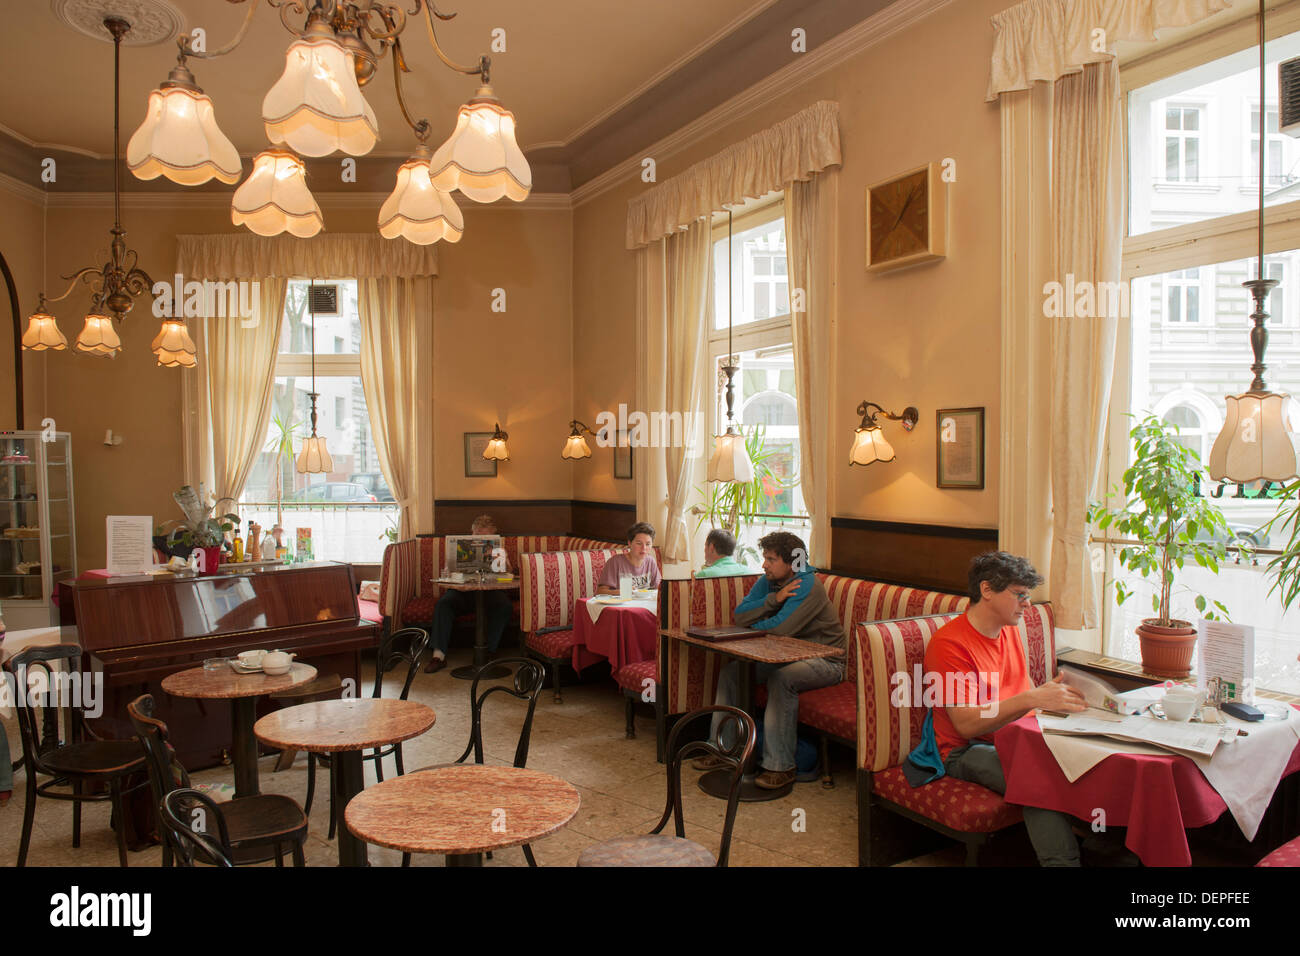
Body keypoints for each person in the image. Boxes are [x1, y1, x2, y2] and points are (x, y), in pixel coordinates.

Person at [917, 551, 1087, 866]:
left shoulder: (1008, 629)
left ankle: (1113, 854)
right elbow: (966, 725)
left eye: (1028, 596)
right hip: (962, 750)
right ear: (986, 590)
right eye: (1020, 595)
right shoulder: (949, 644)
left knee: (1091, 760)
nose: (1027, 604)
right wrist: (1033, 698)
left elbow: (1021, 698)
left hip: (1016, 738)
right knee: (1035, 777)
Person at [697, 531, 843, 789]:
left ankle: (780, 766)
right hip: (784, 656)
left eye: (771, 559)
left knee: (782, 678)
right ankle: (723, 749)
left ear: (792, 562)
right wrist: (774, 598)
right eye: (765, 558)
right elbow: (740, 615)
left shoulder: (807, 584)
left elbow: (781, 629)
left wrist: (761, 621)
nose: (764, 564)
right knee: (732, 673)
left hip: (827, 661)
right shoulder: (771, 580)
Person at [424, 515, 512, 673]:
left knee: (504, 605)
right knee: (443, 605)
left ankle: (488, 652)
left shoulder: (499, 550)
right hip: (462, 593)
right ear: (471, 533)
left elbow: (509, 575)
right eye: (476, 535)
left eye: (485, 537)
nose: (479, 539)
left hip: (489, 593)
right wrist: (447, 573)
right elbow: (448, 574)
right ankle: (438, 656)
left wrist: (504, 564)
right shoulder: (459, 547)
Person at [597, 522, 661, 594]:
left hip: (644, 604)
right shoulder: (615, 562)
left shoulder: (650, 561)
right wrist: (622, 592)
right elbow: (600, 592)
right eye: (639, 543)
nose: (644, 548)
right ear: (629, 543)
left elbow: (659, 588)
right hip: (622, 603)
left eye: (648, 544)